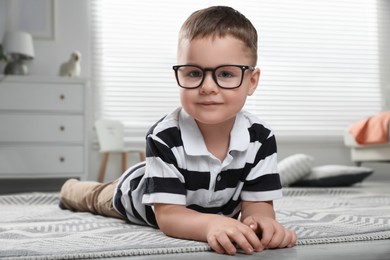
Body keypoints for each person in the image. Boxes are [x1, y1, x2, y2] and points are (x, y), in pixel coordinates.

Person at [60, 5, 297, 255]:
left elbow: (257, 205)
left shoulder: (260, 138)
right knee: (94, 197)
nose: (207, 87)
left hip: (176, 183)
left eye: (226, 74)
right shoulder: (165, 136)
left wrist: (261, 224)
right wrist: (212, 223)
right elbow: (169, 216)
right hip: (135, 193)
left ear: (252, 81)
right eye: (194, 73)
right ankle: (70, 187)